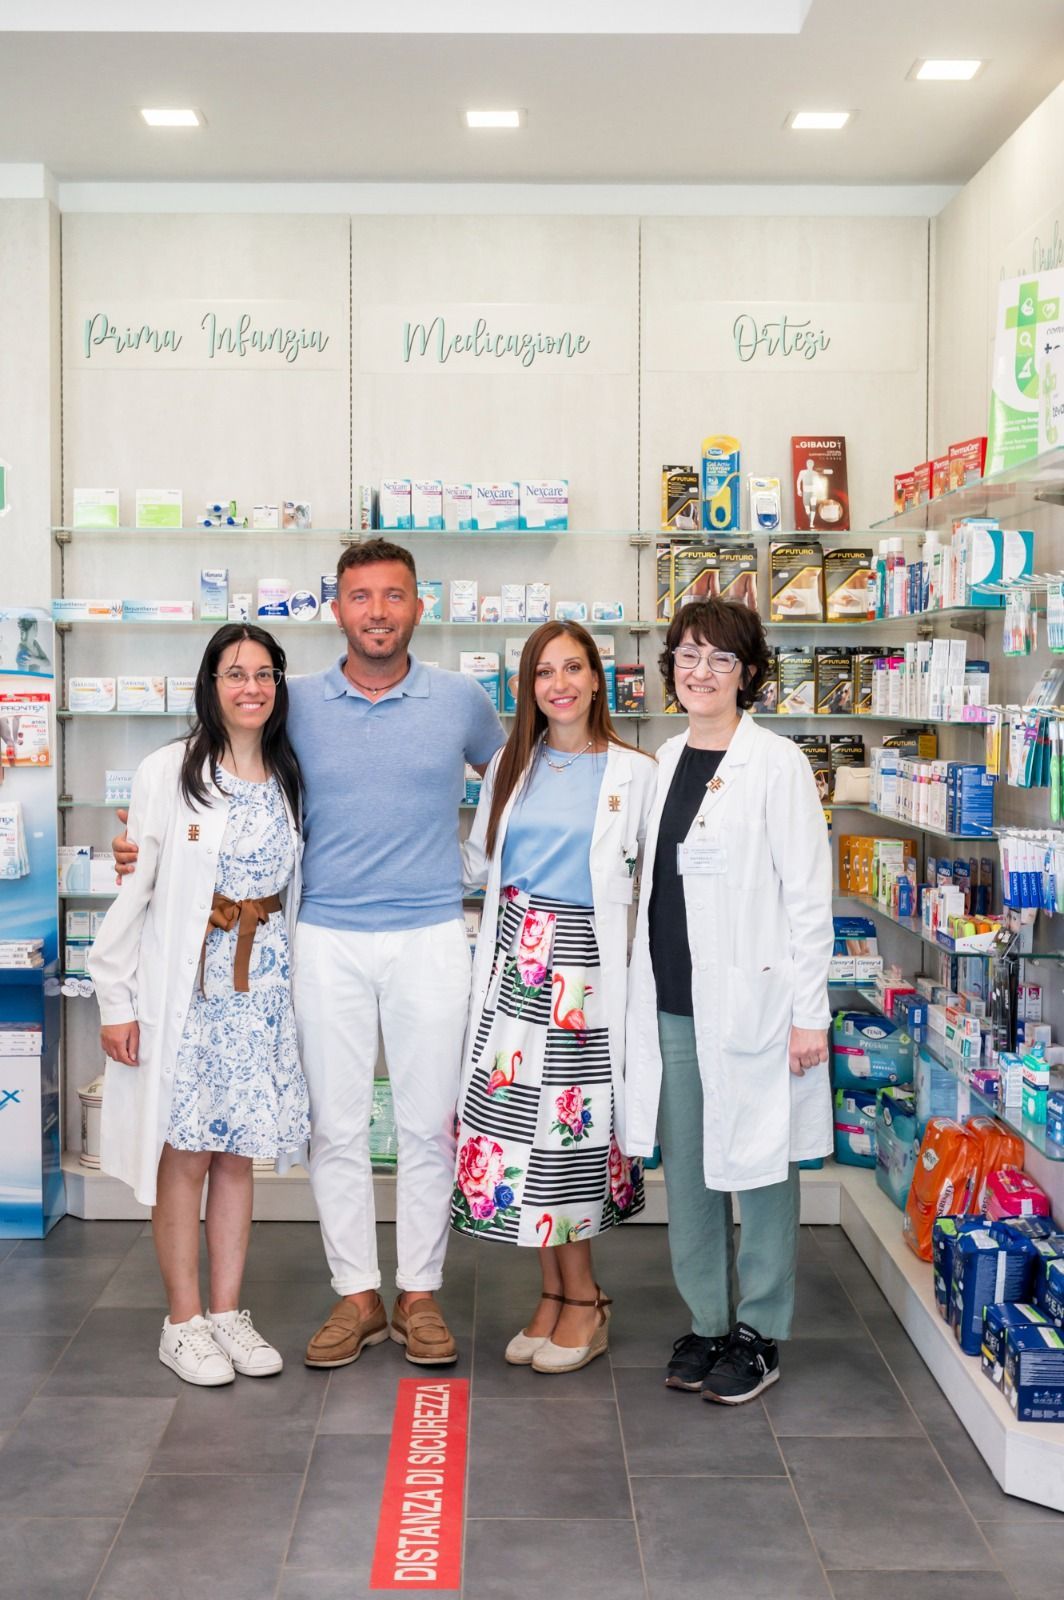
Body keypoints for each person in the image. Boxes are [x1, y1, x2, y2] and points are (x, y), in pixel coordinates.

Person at [114, 540, 503, 1370]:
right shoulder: (298, 706)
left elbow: (513, 785)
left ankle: (421, 1292)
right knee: (337, 1126)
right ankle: (358, 1293)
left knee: (431, 1122)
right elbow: (223, 784)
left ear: (418, 606)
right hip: (322, 935)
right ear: (338, 608)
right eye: (361, 597)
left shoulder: (462, 700)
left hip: (433, 933)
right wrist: (140, 846)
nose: (377, 612)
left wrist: (476, 862)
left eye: (393, 596)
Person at [624, 597, 833, 1404]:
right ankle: (708, 1320)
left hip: (757, 1004)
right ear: (669, 665)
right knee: (693, 1169)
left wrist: (810, 1013)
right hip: (673, 1001)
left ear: (748, 674)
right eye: (686, 655)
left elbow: (810, 899)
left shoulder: (776, 764)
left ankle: (761, 1331)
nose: (698, 672)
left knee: (764, 1166)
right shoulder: (663, 757)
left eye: (718, 659)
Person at [89, 624, 308, 1387]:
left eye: (264, 673)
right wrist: (115, 1000)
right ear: (209, 686)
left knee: (237, 1153)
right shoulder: (169, 770)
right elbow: (136, 892)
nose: (251, 687)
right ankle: (181, 1322)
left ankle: (226, 1313)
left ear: (279, 684)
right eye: (234, 673)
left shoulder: (288, 772)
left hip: (263, 992)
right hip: (191, 991)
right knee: (183, 1156)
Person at [455, 623, 656, 1373]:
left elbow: (651, 886)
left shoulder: (636, 771)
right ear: (527, 686)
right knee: (512, 1133)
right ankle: (553, 1296)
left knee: (567, 1142)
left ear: (598, 679)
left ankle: (587, 1301)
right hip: (514, 961)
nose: (559, 683)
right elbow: (478, 860)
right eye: (544, 671)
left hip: (583, 970)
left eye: (573, 667)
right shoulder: (514, 762)